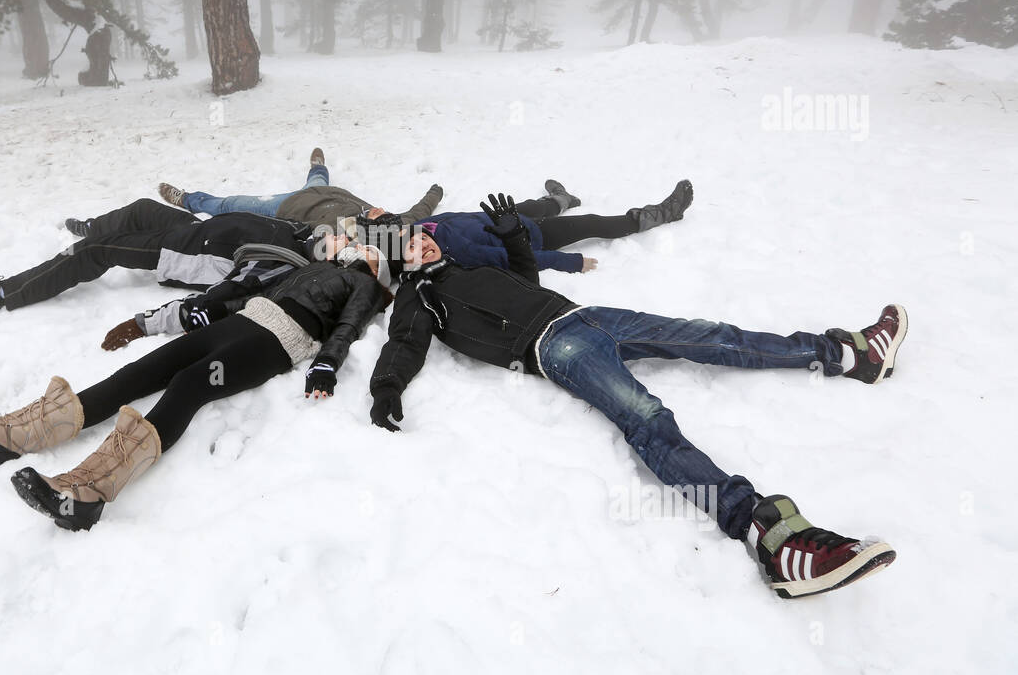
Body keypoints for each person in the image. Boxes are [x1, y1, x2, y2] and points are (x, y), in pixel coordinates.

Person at [367, 194, 904, 599]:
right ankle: (768, 535)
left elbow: (527, 277)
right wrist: (387, 389)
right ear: (402, 261)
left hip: (585, 315)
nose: (423, 242)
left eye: (421, 235)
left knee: (711, 336)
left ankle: (848, 355)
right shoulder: (421, 296)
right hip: (556, 347)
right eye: (410, 245)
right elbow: (403, 344)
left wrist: (512, 237)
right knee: (649, 419)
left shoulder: (464, 266)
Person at [0, 241, 393, 530]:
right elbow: (246, 291)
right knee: (143, 370)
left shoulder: (367, 286)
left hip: (279, 340)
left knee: (190, 384)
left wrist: (326, 364)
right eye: (359, 248)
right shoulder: (314, 267)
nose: (360, 253)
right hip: (243, 321)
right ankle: (12, 439)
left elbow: (350, 324)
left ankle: (87, 493)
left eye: (370, 254)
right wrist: (199, 313)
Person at [0, 199, 318, 311]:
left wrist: (196, 309)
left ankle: (3, 293)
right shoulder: (300, 231)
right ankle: (97, 224)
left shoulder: (283, 261)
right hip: (194, 229)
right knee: (142, 208)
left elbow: (243, 286)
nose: (335, 236)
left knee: (95, 253)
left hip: (181, 253)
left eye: (340, 244)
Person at [409, 179, 694, 275]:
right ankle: (662, 214)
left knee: (535, 205)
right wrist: (569, 262)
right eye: (415, 253)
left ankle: (562, 198)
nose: (418, 243)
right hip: (529, 236)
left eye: (408, 239)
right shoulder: (457, 250)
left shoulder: (417, 227)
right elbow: (506, 259)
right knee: (591, 223)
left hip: (500, 218)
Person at [152, 147, 444, 232]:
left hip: (288, 205)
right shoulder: (397, 220)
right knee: (318, 179)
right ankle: (318, 166)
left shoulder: (348, 235)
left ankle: (189, 200)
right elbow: (420, 211)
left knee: (231, 203)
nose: (380, 210)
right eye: (383, 212)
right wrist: (435, 193)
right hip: (329, 192)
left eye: (380, 216)